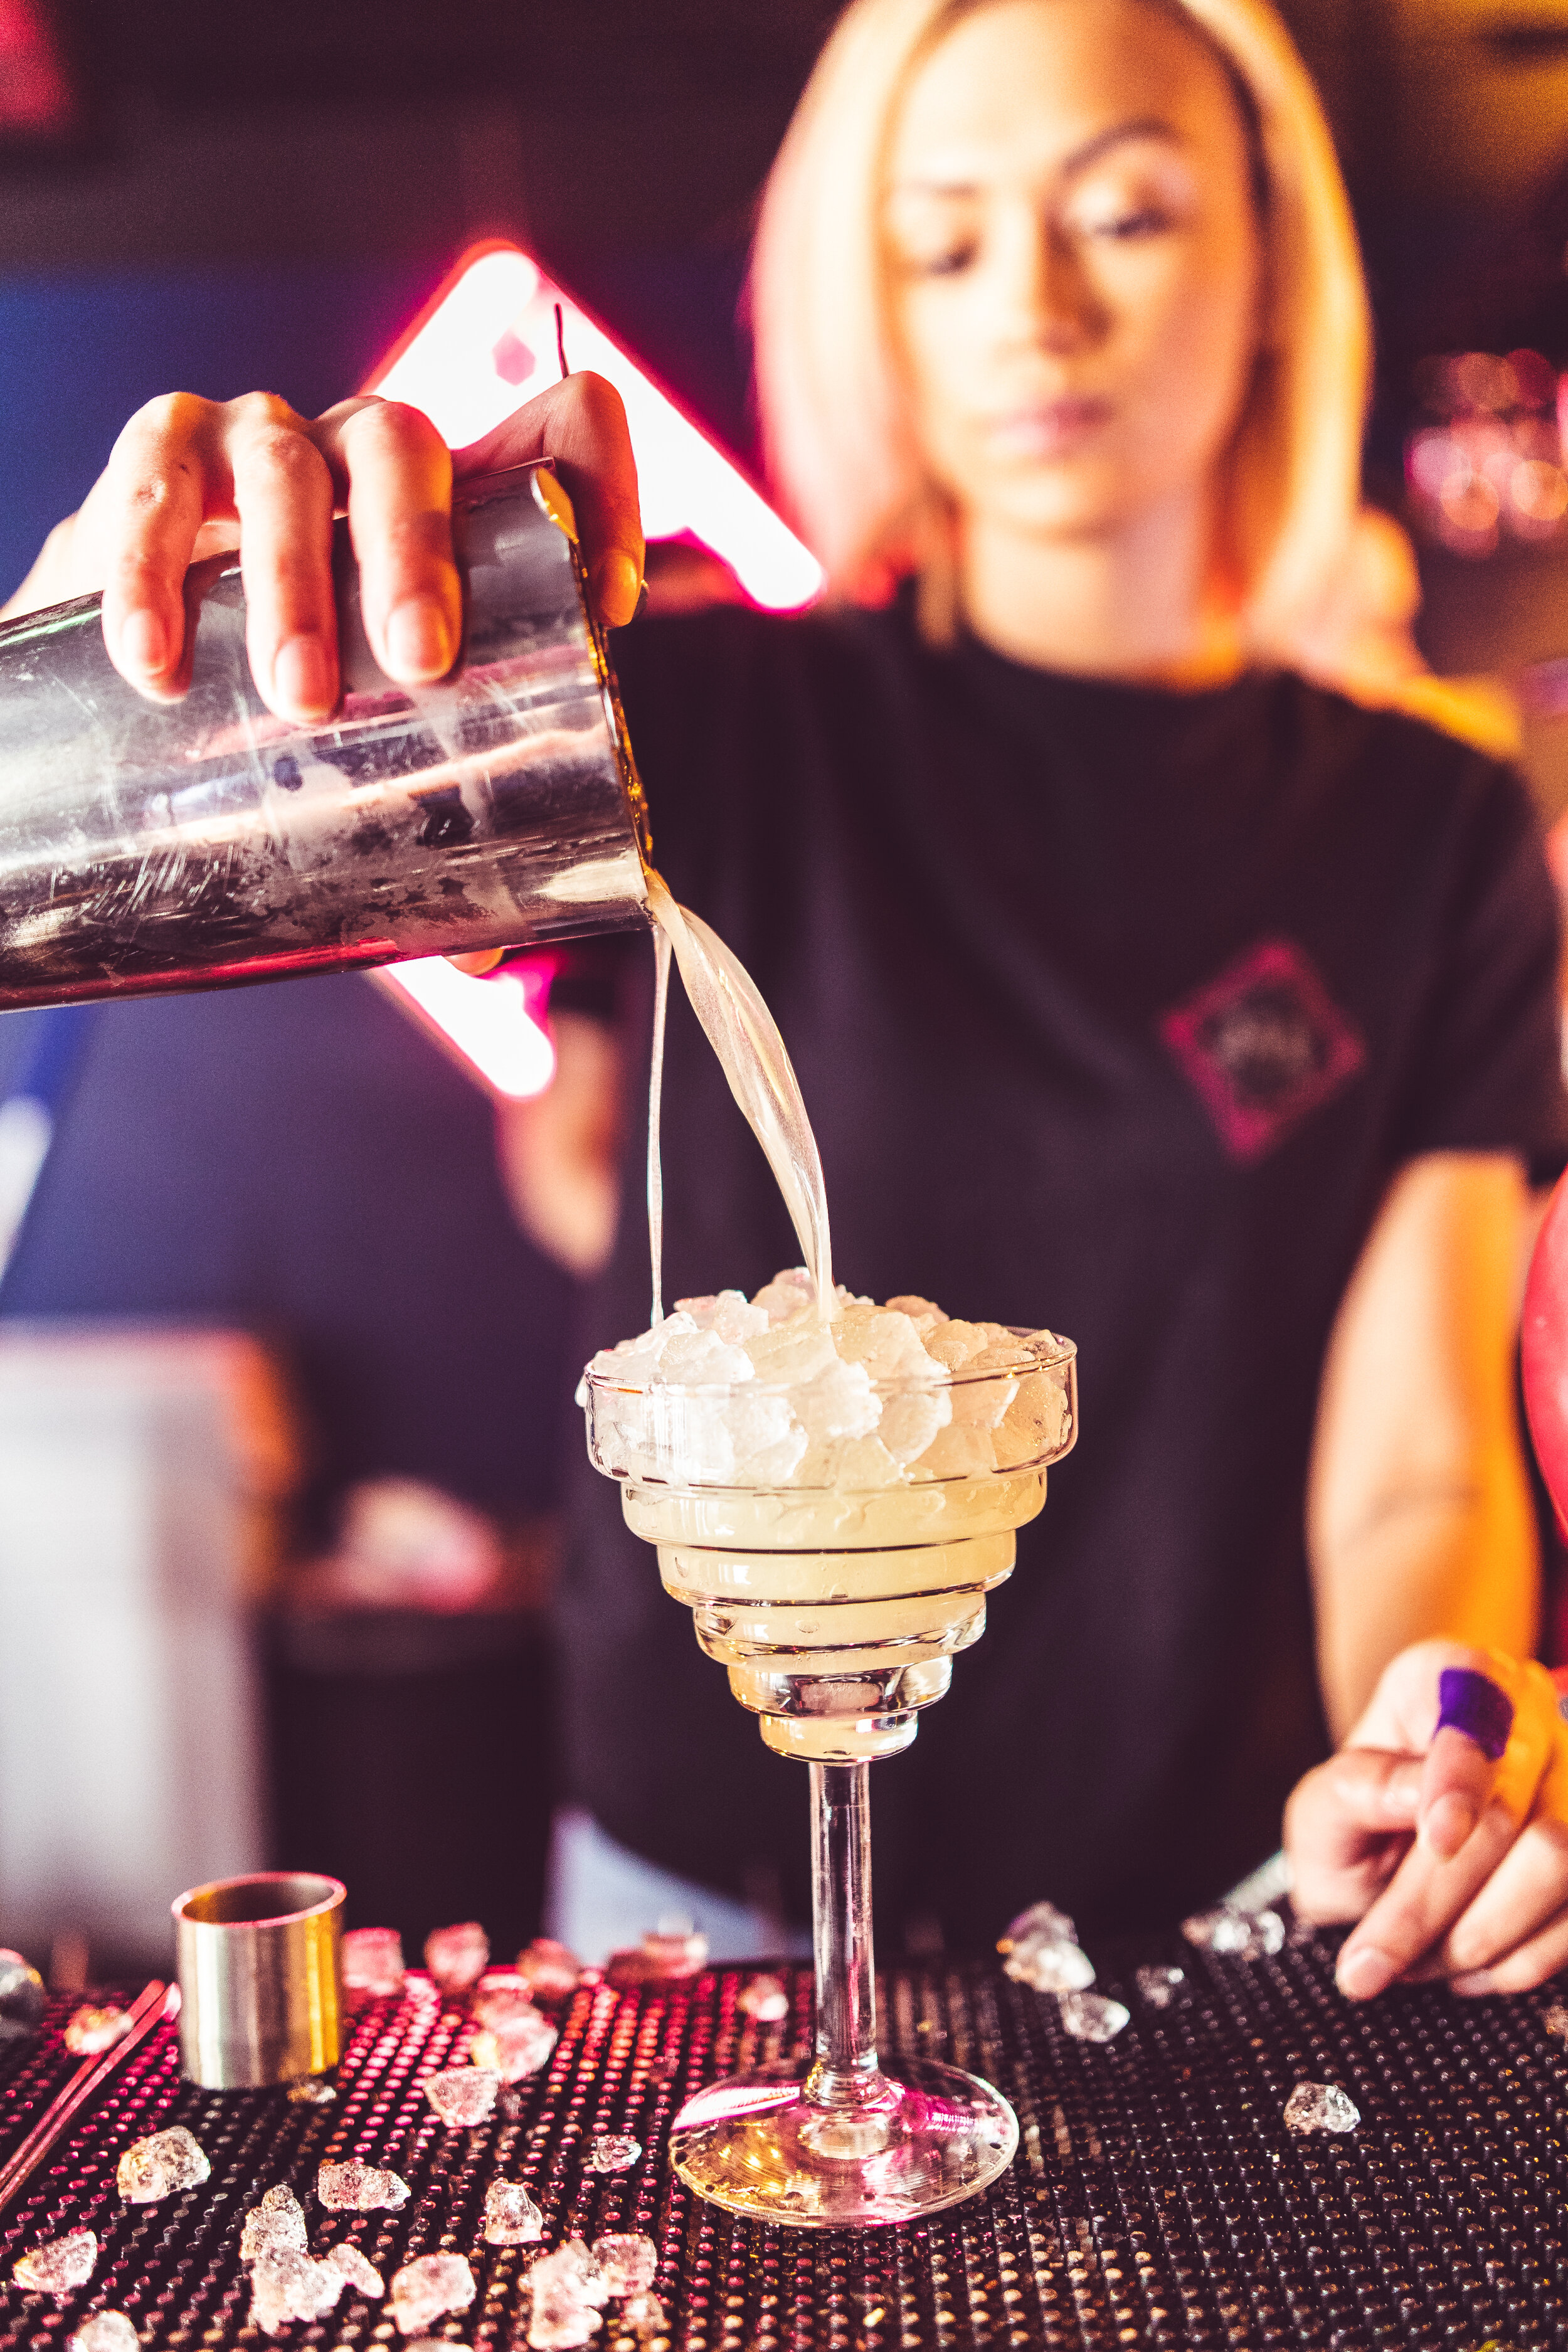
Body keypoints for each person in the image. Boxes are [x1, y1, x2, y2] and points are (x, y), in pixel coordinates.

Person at [8, 0, 1568, 1999]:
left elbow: (1418, 1453)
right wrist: (129, 685)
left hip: (1198, 1907)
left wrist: (1432, 1736)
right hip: (704, 1903)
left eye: (1124, 215)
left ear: (1268, 266)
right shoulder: (707, 721)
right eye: (945, 242)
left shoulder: (1425, 826)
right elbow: (558, 1145)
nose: (1034, 310)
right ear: (874, 308)